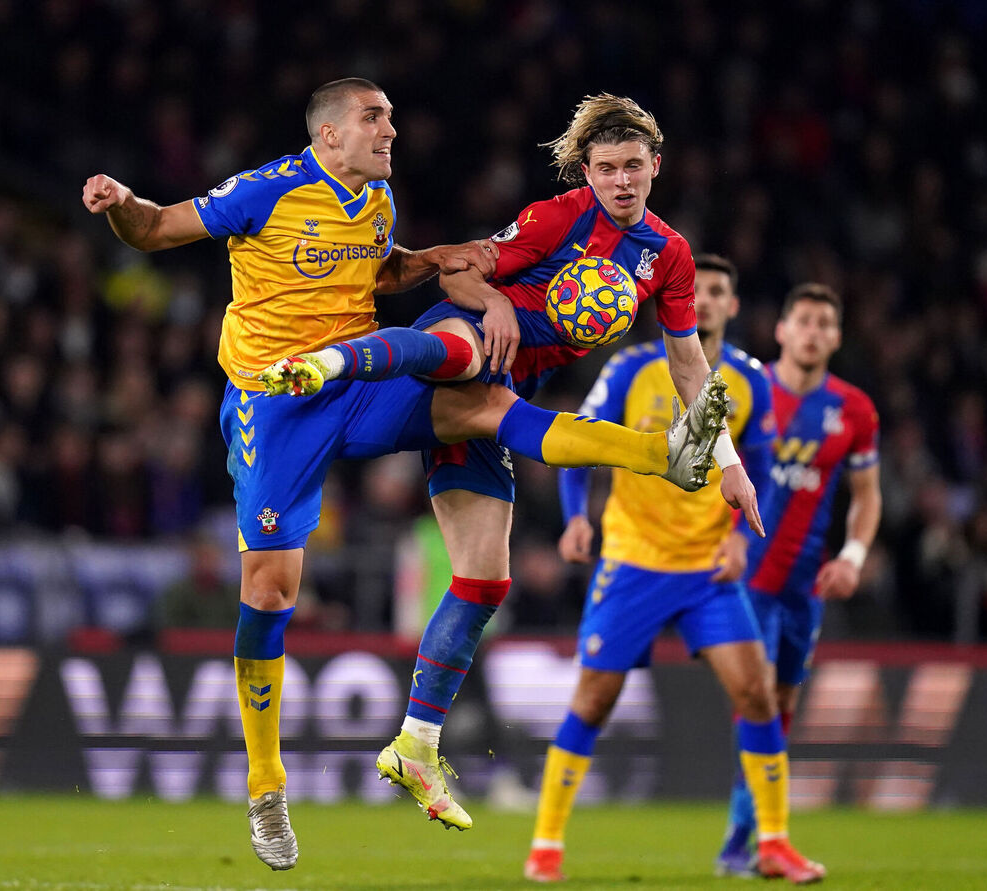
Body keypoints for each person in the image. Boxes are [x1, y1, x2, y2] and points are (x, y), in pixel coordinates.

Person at [82, 78, 729, 872]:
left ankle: (662, 457)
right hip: (273, 404)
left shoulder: (379, 201)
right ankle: (265, 783)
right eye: (374, 117)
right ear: (329, 135)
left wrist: (431, 261)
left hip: (357, 390)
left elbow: (382, 278)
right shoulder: (267, 191)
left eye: (390, 116)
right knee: (270, 591)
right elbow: (153, 230)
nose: (392, 128)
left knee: (486, 412)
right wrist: (119, 200)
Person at [260, 95, 763, 832]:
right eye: (606, 168)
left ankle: (415, 744)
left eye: (633, 167)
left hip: (498, 397)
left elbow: (690, 365)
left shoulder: (671, 256)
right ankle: (330, 362)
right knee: (467, 347)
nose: (620, 180)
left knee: (486, 579)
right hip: (464, 343)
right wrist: (492, 303)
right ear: (587, 172)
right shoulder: (557, 217)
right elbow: (459, 270)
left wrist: (729, 462)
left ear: (656, 167)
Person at [521, 255, 824, 884]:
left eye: (719, 292)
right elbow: (582, 442)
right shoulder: (631, 368)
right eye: (699, 291)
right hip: (633, 562)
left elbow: (760, 464)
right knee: (595, 701)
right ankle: (546, 845)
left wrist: (743, 538)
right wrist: (577, 518)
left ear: (733, 307)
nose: (706, 301)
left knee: (757, 695)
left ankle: (772, 842)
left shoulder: (748, 380)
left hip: (708, 570)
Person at [716, 281, 882, 881]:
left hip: (804, 586)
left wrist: (856, 554)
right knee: (757, 700)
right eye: (802, 321)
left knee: (781, 704)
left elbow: (867, 496)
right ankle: (750, 838)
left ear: (836, 337)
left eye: (824, 324)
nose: (812, 332)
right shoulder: (746, 394)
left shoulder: (855, 410)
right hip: (746, 579)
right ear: (781, 329)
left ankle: (748, 831)